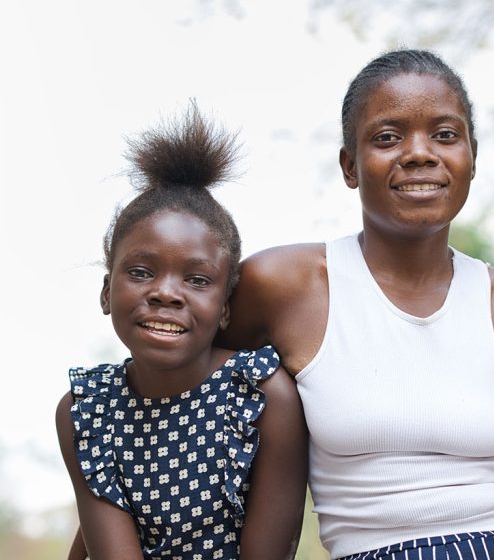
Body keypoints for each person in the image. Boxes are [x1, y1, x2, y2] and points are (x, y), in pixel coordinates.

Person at [219, 49, 494, 559]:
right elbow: (175, 395)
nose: (419, 153)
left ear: (472, 158)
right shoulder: (281, 288)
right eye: (388, 137)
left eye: (444, 134)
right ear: (350, 165)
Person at [55, 103, 308, 560]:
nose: (166, 294)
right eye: (140, 271)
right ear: (106, 292)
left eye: (196, 280)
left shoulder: (261, 396)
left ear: (225, 309)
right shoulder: (86, 412)